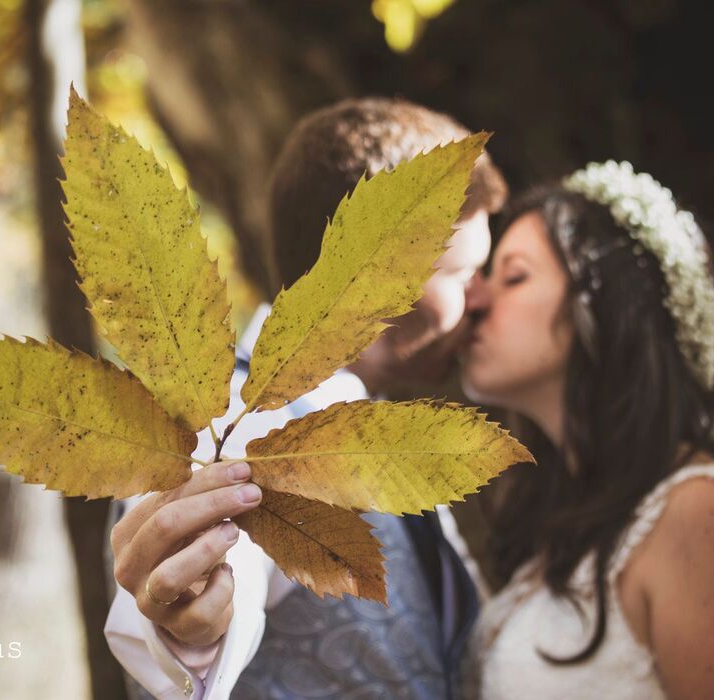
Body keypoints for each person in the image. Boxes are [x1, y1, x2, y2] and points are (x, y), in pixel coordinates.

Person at [104, 97, 509, 699]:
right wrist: (193, 626)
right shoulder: (228, 420)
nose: (482, 299)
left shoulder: (375, 426)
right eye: (463, 274)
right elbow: (214, 575)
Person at [459, 161, 714, 699]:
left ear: (607, 303)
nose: (472, 301)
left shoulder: (699, 515)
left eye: (514, 276)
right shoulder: (564, 524)